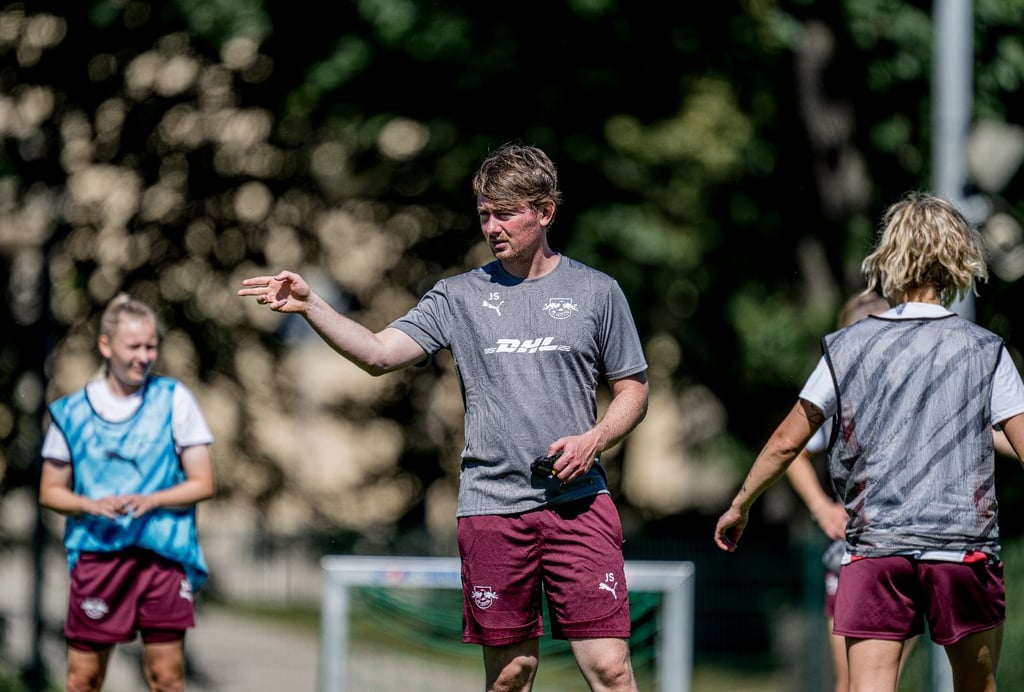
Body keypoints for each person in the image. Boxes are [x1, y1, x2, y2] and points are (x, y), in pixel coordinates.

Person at [239, 142, 649, 692]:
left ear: (545, 211)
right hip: (491, 508)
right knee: (511, 675)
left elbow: (634, 391)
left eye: (505, 213)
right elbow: (379, 354)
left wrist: (594, 438)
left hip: (578, 505)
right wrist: (313, 306)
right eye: (484, 214)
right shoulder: (458, 296)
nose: (492, 227)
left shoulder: (598, 292)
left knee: (610, 669)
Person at [714, 191, 1024, 692]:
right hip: (962, 552)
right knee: (977, 685)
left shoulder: (849, 346)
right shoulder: (985, 350)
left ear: (890, 259)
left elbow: (783, 443)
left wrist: (741, 503)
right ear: (959, 259)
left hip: (877, 548)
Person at [40, 294, 215, 692]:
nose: (144, 355)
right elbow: (50, 491)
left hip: (163, 556)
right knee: (82, 679)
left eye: (151, 346)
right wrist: (89, 504)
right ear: (106, 345)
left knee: (166, 678)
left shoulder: (175, 400)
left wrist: (151, 500)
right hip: (99, 556)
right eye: (133, 346)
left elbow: (203, 482)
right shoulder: (71, 413)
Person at [784, 290, 913, 692]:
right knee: (851, 682)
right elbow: (791, 452)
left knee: (879, 681)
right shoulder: (837, 390)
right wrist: (822, 508)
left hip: (907, 544)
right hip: (851, 551)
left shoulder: (915, 389)